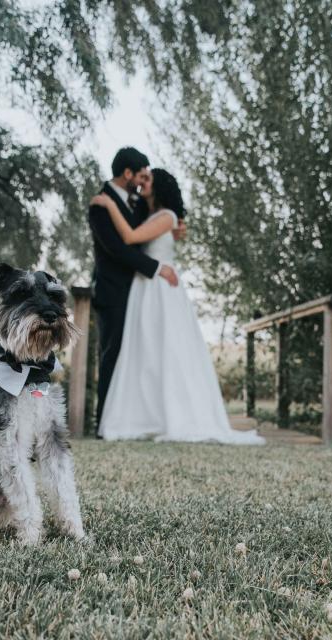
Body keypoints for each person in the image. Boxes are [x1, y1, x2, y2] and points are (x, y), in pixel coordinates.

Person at [90, 167, 264, 445]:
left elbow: (131, 238)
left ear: (159, 187)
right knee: (145, 353)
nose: (142, 183)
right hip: (146, 287)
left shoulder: (166, 216)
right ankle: (146, 414)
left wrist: (109, 203)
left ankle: (176, 415)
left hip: (161, 288)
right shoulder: (151, 216)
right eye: (141, 177)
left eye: (148, 180)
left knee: (167, 349)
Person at [87, 147, 180, 428]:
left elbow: (158, 224)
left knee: (142, 355)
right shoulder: (99, 204)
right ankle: (105, 422)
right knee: (112, 355)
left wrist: (178, 223)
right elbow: (116, 248)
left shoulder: (139, 204)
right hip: (113, 290)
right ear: (127, 173)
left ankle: (138, 418)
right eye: (139, 176)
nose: (142, 182)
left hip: (143, 293)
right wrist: (156, 268)